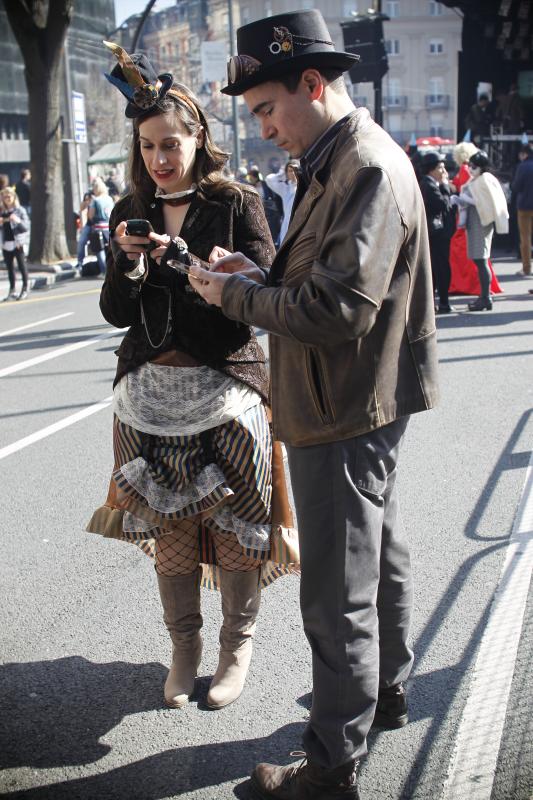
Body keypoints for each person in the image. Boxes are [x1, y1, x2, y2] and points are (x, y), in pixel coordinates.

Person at [188, 10, 439, 797]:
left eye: (266, 109)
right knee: (378, 560)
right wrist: (258, 280)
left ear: (311, 83)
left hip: (342, 403)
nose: (264, 129)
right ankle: (381, 694)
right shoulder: (341, 156)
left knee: (335, 592)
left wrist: (234, 294)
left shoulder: (361, 164)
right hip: (360, 396)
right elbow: (319, 284)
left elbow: (335, 310)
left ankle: (330, 765)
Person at [86, 44, 298, 713]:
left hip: (226, 388)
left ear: (196, 137)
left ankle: (236, 649)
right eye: (148, 146)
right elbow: (116, 313)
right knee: (171, 530)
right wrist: (127, 265)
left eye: (170, 144)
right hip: (148, 394)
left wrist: (183, 260)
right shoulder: (129, 208)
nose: (159, 159)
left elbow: (267, 284)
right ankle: (184, 649)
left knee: (237, 524)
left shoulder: (236, 201)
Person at [451, 150, 509, 311]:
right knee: (480, 260)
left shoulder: (484, 179)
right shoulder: (479, 179)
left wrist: (464, 199)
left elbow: (485, 202)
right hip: (476, 220)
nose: (470, 168)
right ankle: (484, 297)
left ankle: (485, 297)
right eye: (470, 165)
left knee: (481, 259)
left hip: (481, 221)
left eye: (474, 166)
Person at [419, 151, 455, 313]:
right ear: (432, 169)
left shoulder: (429, 183)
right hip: (437, 233)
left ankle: (434, 303)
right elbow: (442, 205)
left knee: (434, 269)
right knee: (440, 268)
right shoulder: (429, 184)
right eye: (440, 167)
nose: (444, 171)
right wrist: (446, 186)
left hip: (435, 233)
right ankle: (444, 303)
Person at [1, 187, 30, 301]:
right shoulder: (2, 211)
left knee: (22, 266)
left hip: (18, 242)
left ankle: (25, 289)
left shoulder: (20, 210)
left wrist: (17, 220)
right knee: (10, 268)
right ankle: (12, 290)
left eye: (9, 196)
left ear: (13, 197)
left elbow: (26, 227)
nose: (7, 199)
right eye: (4, 197)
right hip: (6, 243)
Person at [247, 165, 283, 245]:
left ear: (255, 177)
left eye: (251, 177)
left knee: (272, 231)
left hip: (269, 212)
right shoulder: (249, 186)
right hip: (257, 212)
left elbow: (272, 196)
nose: (250, 179)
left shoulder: (265, 184)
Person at [265, 160, 299, 246]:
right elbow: (269, 179)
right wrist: (282, 174)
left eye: (295, 170)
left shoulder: (307, 186)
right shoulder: (285, 189)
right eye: (290, 171)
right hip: (288, 225)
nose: (293, 173)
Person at [512, 144, 533, 277]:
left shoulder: (522, 167)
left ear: (524, 154)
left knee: (525, 238)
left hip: (524, 206)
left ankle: (526, 268)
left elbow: (516, 186)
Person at [87, 177, 114, 274]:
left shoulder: (95, 200)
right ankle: (112, 270)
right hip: (109, 227)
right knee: (110, 250)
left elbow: (91, 215)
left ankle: (105, 271)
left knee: (99, 250)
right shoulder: (109, 199)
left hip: (98, 228)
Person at [76, 190, 93, 272]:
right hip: (88, 225)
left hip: (97, 224)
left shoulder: (96, 202)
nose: (87, 201)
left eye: (89, 199)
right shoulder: (86, 205)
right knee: (81, 241)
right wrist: (83, 207)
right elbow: (82, 213)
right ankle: (79, 261)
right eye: (86, 199)